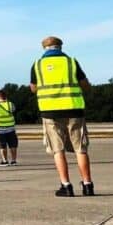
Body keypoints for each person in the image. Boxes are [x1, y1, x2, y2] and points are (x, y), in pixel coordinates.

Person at [30, 36, 94, 197]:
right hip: (74, 110)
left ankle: (66, 185)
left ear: (44, 48)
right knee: (81, 149)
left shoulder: (37, 65)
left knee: (57, 150)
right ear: (60, 47)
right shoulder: (71, 62)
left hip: (50, 113)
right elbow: (85, 84)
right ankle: (87, 185)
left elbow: (33, 88)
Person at [0, 89, 18, 166]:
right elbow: (13, 110)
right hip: (11, 129)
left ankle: (5, 161)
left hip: (0, 130)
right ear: (5, 96)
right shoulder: (10, 104)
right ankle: (14, 161)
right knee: (13, 145)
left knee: (2, 146)